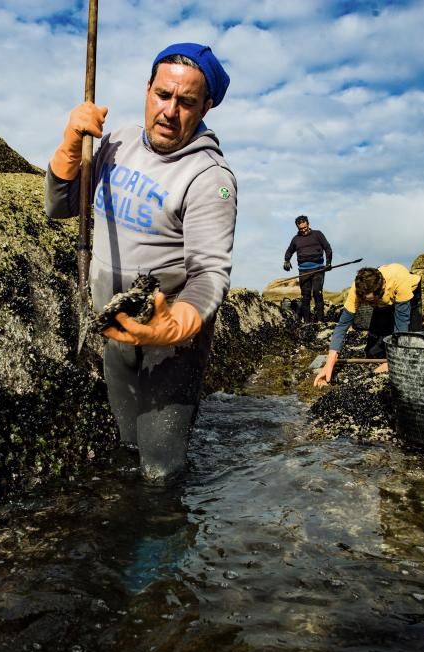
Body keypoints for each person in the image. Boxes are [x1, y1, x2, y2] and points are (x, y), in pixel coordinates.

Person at [44, 43, 236, 484]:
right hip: (117, 328)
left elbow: (210, 274)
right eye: (163, 94)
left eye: (186, 102)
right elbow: (60, 206)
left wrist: (173, 327)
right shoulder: (116, 143)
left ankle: (165, 544)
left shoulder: (210, 179)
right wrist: (72, 142)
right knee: (128, 446)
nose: (170, 110)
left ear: (205, 107)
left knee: (161, 469)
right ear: (147, 89)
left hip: (172, 342)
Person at [313, 264, 422, 386]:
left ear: (380, 290)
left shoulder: (399, 281)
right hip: (383, 302)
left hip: (410, 295)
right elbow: (342, 326)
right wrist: (329, 365)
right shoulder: (357, 288)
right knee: (373, 353)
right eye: (363, 300)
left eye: (368, 301)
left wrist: (393, 362)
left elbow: (401, 326)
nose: (365, 304)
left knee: (412, 348)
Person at [283, 215, 332, 322]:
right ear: (297, 227)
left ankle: (320, 321)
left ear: (308, 224)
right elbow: (289, 251)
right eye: (301, 229)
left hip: (318, 269)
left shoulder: (318, 234)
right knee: (305, 297)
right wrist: (286, 260)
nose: (303, 230)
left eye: (305, 227)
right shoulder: (296, 239)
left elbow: (327, 248)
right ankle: (307, 322)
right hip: (303, 271)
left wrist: (328, 262)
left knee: (317, 293)